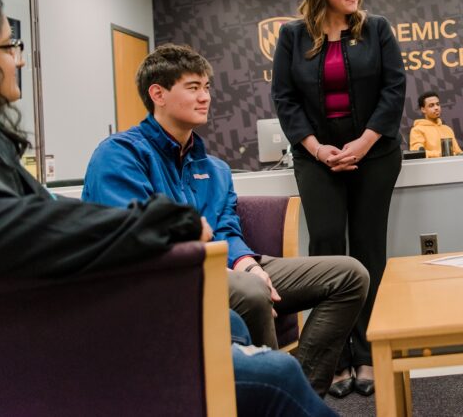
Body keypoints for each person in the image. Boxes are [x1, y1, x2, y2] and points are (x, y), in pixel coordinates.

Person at [0, 0, 329, 417]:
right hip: (59, 343)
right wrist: (155, 224)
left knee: (235, 322)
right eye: (9, 45)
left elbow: (40, 212)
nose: (17, 58)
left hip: (71, 317)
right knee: (276, 375)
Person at [82, 43, 368, 398]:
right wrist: (231, 271)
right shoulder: (120, 153)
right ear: (158, 94)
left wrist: (246, 263)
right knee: (251, 292)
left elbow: (226, 228)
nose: (205, 97)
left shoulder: (214, 168)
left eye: (207, 87)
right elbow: (133, 236)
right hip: (161, 278)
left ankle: (294, 391)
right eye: (193, 87)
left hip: (226, 267)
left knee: (349, 275)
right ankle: (273, 396)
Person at [271, 0, 406, 398]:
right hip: (316, 158)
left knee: (369, 251)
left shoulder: (377, 29)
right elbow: (284, 99)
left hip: (375, 154)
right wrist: (316, 148)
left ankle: (367, 353)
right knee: (327, 249)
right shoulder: (292, 36)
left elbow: (393, 89)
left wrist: (363, 144)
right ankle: (333, 358)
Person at [409, 90, 463, 157]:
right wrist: (441, 155)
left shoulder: (447, 129)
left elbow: (458, 152)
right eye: (431, 105)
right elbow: (417, 153)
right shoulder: (417, 130)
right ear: (423, 109)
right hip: (430, 167)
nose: (436, 108)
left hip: (451, 166)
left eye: (437, 104)